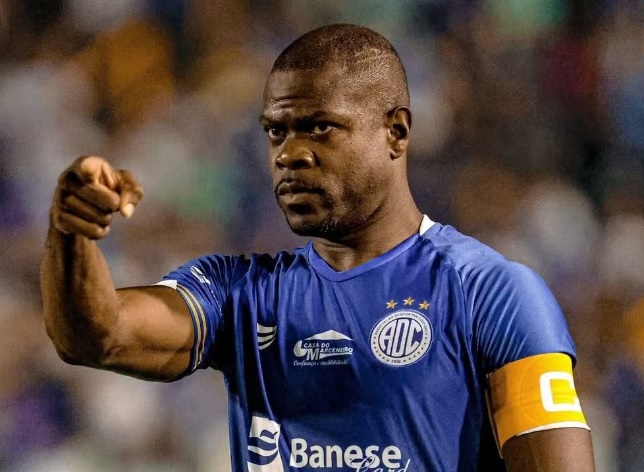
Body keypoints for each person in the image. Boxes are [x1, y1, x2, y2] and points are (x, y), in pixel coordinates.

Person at [41, 24, 595, 471]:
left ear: (396, 132)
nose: (289, 153)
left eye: (320, 127)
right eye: (276, 131)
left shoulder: (491, 293)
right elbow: (97, 336)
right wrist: (71, 231)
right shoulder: (240, 295)